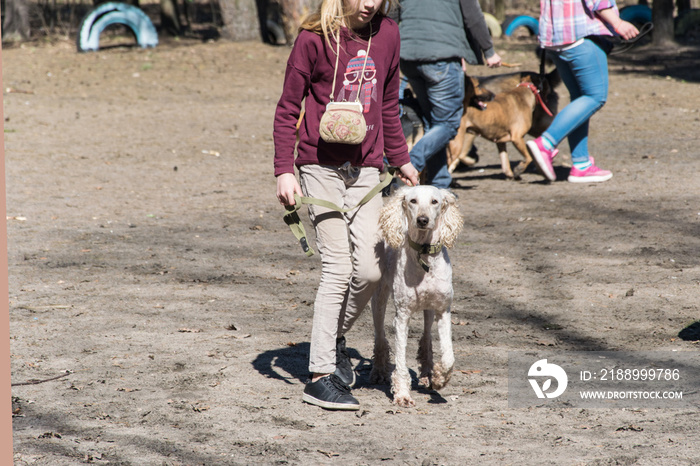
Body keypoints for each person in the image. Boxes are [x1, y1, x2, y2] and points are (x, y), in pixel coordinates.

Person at [273, 0, 420, 410]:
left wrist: (401, 158)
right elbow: (288, 108)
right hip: (319, 165)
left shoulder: (387, 33)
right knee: (338, 266)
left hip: (368, 169)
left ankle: (332, 337)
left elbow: (389, 104)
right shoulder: (312, 37)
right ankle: (320, 374)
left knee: (372, 272)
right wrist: (284, 168)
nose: (370, 3)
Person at [526, 0, 639, 183]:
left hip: (555, 38)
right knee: (595, 97)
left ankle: (581, 164)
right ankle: (545, 143)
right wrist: (617, 23)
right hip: (581, 36)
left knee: (580, 99)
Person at [397, 0, 502, 189]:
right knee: (448, 124)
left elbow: (392, 13)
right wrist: (489, 50)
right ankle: (411, 162)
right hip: (441, 58)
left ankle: (439, 185)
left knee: (434, 123)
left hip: (408, 57)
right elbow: (473, 17)